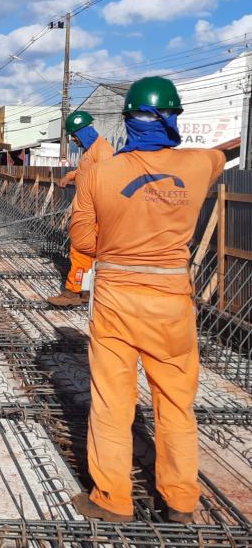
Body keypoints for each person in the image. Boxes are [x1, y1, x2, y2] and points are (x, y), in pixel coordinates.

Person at [69, 76, 225, 524]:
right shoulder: (199, 165)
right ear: (172, 118)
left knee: (112, 400)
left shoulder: (98, 173)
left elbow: (83, 238)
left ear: (127, 122)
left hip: (118, 297)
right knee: (176, 402)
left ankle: (112, 498)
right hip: (172, 299)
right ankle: (179, 498)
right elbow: (218, 157)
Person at [47, 110, 114, 307]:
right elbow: (87, 172)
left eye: (75, 136)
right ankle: (86, 291)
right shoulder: (90, 151)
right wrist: (71, 175)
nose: (74, 140)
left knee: (80, 249)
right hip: (87, 211)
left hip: (93, 213)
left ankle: (73, 291)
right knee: (89, 253)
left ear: (83, 132)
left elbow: (107, 179)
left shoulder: (103, 151)